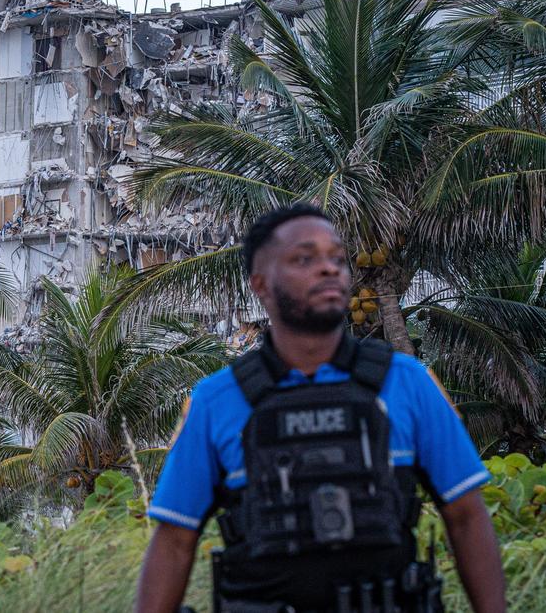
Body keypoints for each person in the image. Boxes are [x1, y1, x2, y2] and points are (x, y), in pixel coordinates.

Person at [135, 205, 505, 613]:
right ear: (260, 283)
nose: (329, 269)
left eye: (338, 258)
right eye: (304, 258)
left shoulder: (407, 382)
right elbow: (173, 541)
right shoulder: (216, 400)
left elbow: (467, 517)